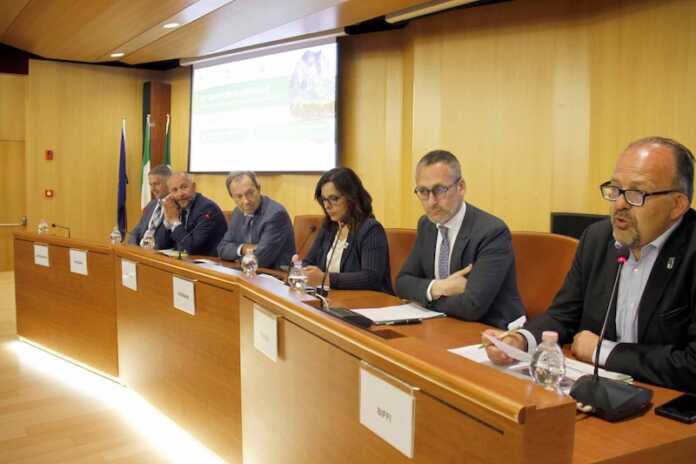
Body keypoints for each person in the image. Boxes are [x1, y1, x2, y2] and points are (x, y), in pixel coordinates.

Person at [484, 137, 696, 393]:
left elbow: (691, 364)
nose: (619, 204)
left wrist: (603, 352)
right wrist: (520, 340)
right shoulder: (598, 238)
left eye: (637, 193)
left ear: (677, 205)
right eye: (615, 189)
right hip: (600, 393)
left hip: (669, 402)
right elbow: (563, 315)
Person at [396, 150, 524, 328]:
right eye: (423, 191)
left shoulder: (492, 232)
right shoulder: (427, 225)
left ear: (461, 187)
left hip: (490, 330)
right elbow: (402, 282)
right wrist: (439, 288)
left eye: (439, 190)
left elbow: (472, 306)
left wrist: (424, 298)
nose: (431, 201)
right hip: (443, 324)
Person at [295, 167, 393, 294]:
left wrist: (325, 279)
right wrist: (300, 270)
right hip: (334, 300)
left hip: (368, 302)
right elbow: (309, 261)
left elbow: (371, 278)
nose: (327, 206)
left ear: (351, 198)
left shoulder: (371, 229)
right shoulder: (329, 228)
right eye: (324, 199)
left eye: (334, 198)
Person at [217, 171, 295, 269]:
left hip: (274, 274)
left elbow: (260, 259)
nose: (246, 201)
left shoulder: (276, 214)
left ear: (258, 188)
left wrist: (237, 257)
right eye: (239, 196)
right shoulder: (237, 212)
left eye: (250, 193)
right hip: (247, 272)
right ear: (232, 197)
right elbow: (222, 248)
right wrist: (243, 249)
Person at [162, 172, 227, 256]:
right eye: (175, 190)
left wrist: (174, 221)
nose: (180, 194)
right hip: (185, 260)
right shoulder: (177, 207)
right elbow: (162, 245)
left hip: (208, 261)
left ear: (193, 187)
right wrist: (167, 219)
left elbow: (193, 248)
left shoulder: (207, 209)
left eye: (184, 187)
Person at [128, 164, 173, 249]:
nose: (152, 189)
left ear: (169, 184)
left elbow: (168, 241)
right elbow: (136, 231)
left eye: (156, 184)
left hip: (156, 253)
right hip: (139, 251)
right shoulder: (151, 204)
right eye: (150, 184)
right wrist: (133, 247)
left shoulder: (176, 206)